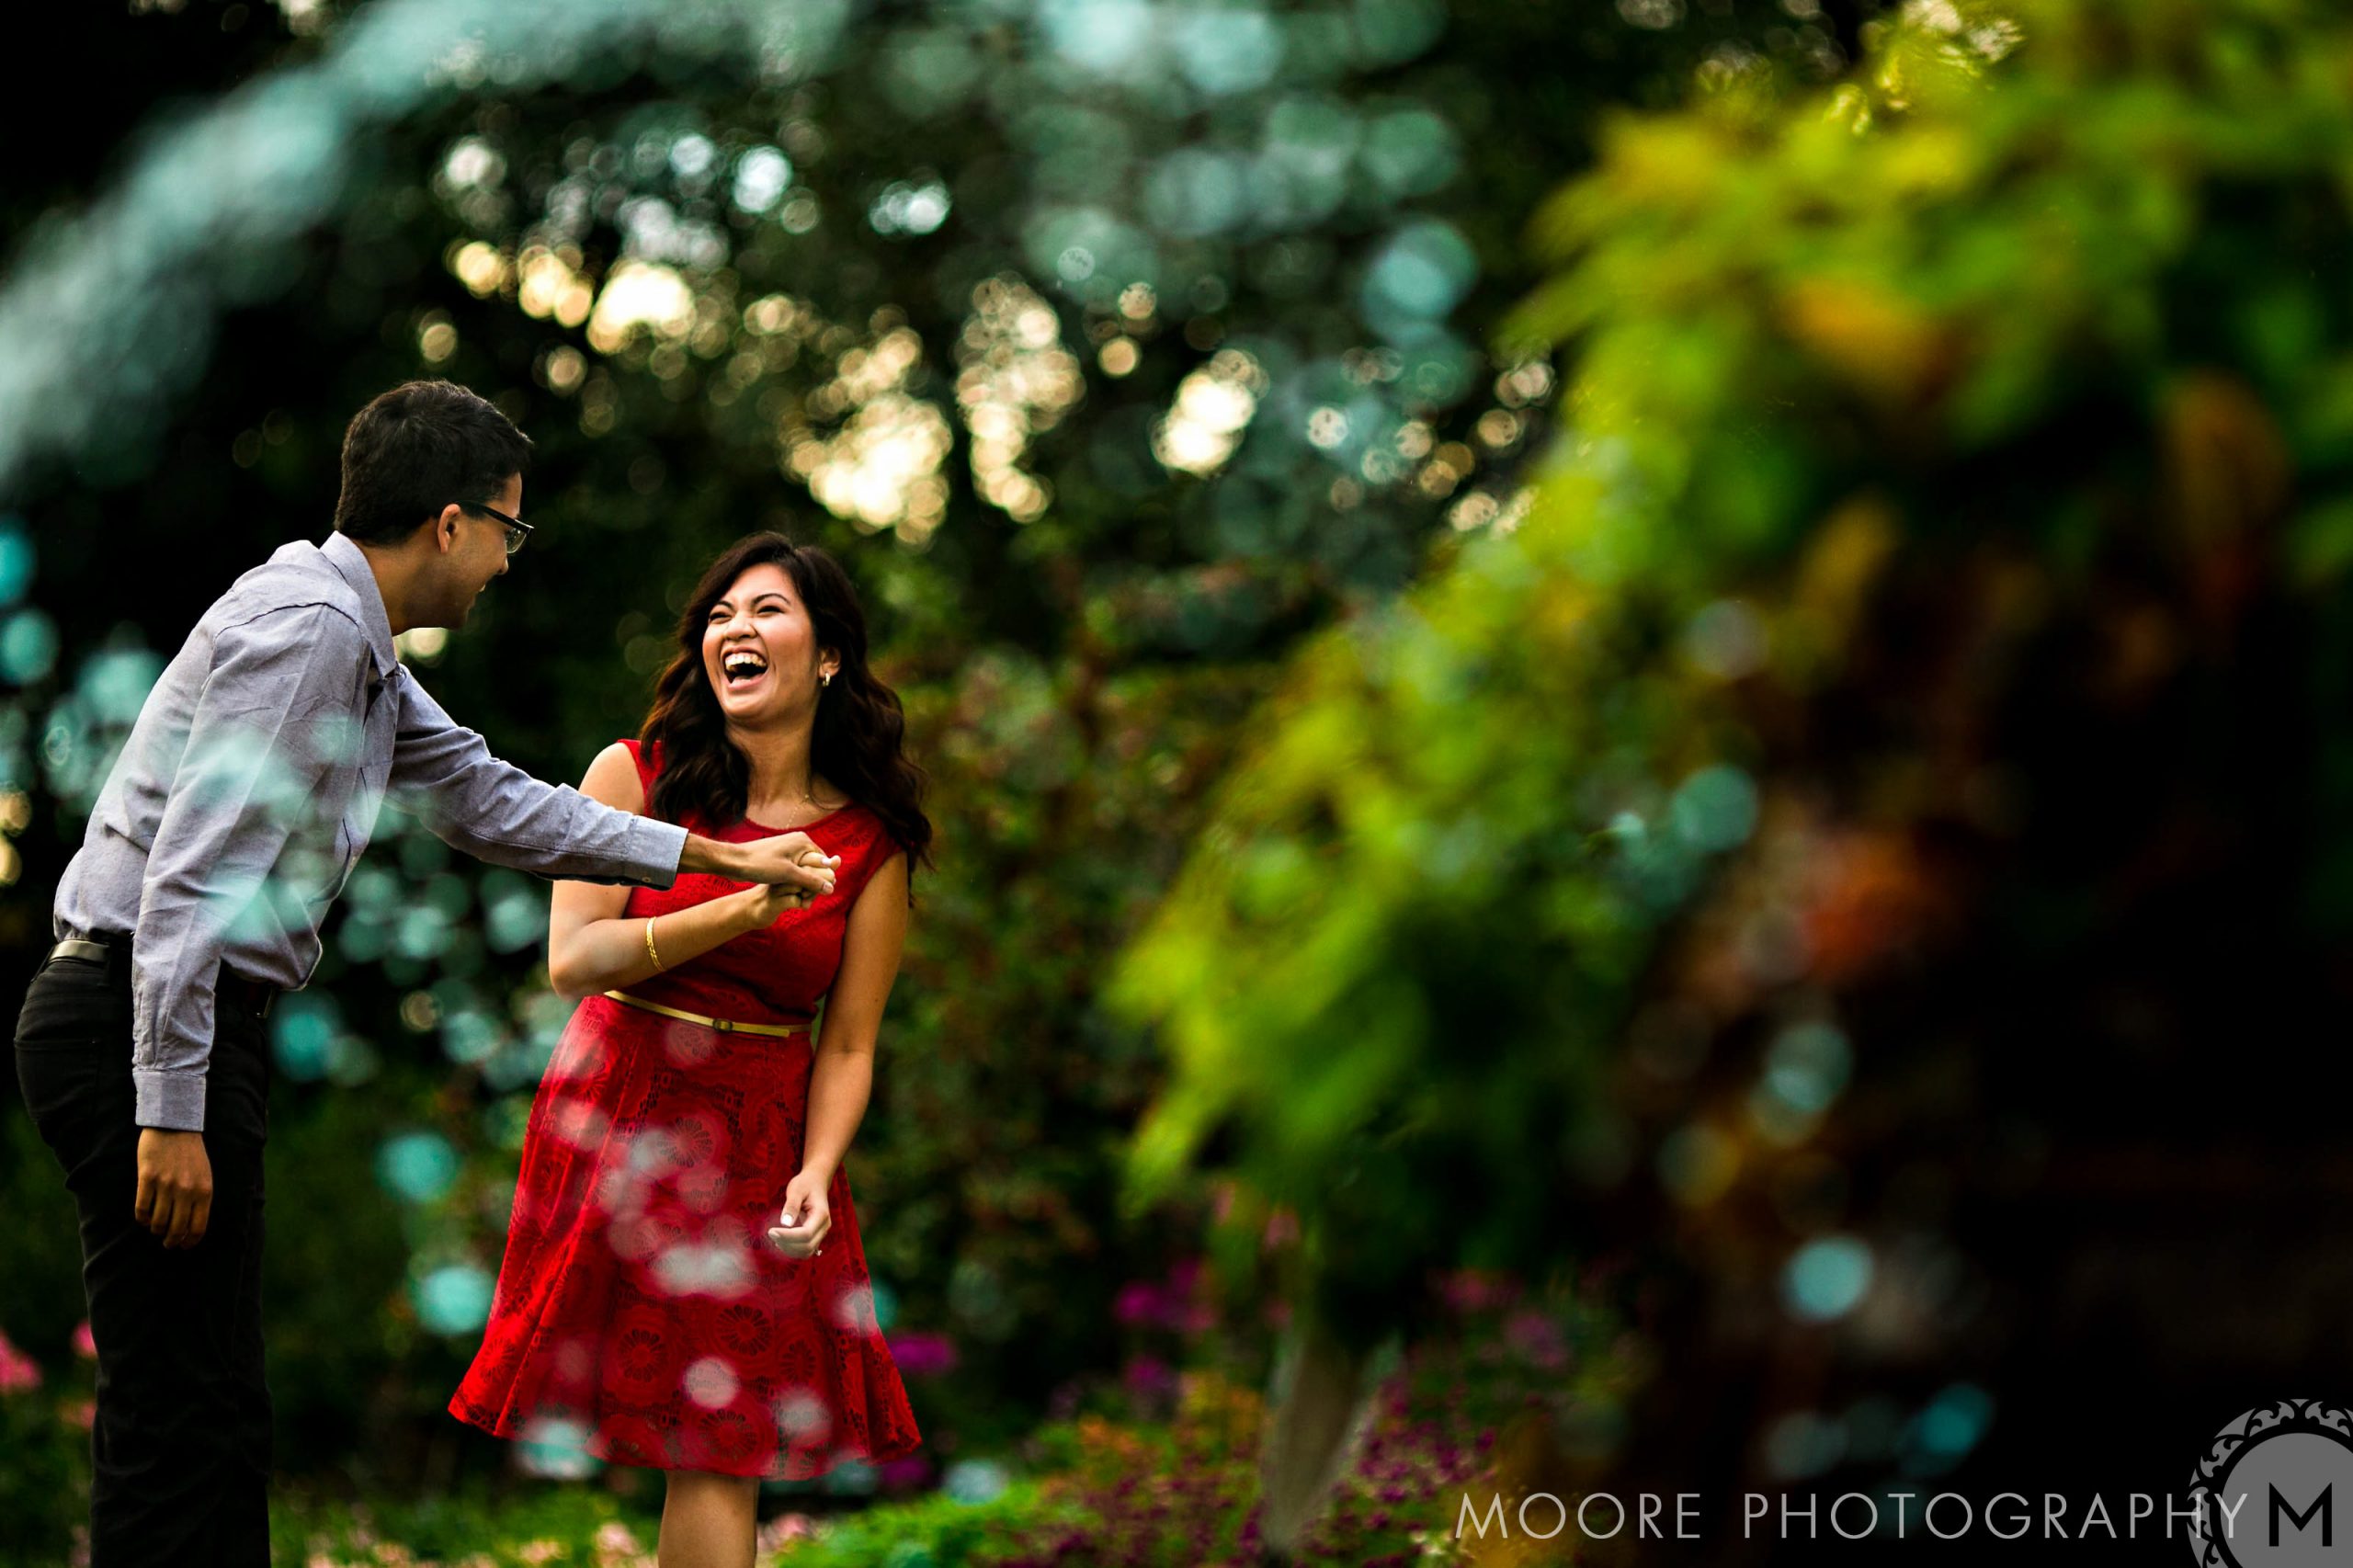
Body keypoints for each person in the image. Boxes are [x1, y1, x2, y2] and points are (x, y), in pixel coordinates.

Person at [11, 381, 841, 1568]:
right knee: (180, 1409)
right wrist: (168, 1103)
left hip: (158, 1015)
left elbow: (487, 796)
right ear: (451, 523)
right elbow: (190, 881)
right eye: (510, 529)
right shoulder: (312, 633)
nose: (508, 560)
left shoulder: (355, 649)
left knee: (208, 1404)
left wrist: (704, 851)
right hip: (139, 1018)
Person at [450, 529, 934, 1568]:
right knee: (650, 1414)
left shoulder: (870, 842)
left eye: (764, 610)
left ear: (830, 653)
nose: (735, 630)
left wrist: (818, 1164)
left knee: (723, 1438)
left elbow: (848, 1041)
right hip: (622, 1106)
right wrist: (743, 908)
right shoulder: (632, 774)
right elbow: (574, 958)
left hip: (760, 1134)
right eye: (718, 614)